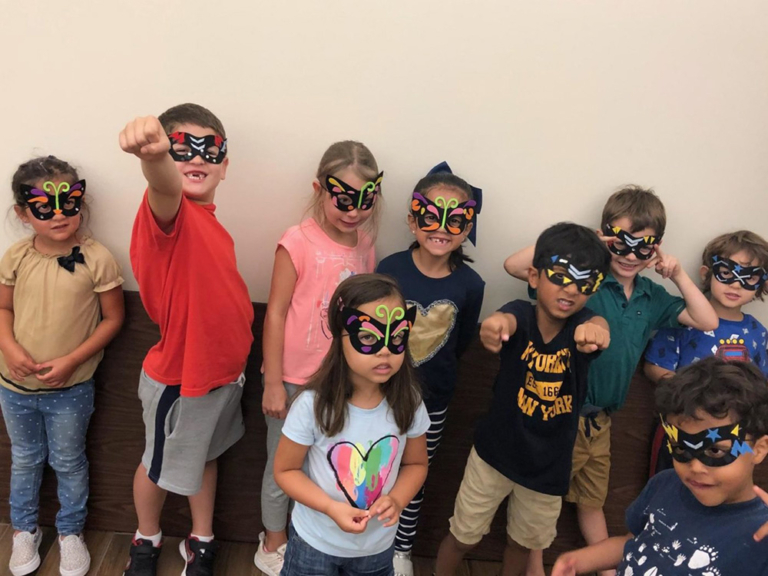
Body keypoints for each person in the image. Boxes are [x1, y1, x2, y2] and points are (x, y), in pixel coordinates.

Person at [503, 186, 718, 575]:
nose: (631, 255)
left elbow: (708, 320)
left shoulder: (652, 297)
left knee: (592, 500)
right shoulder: (585, 280)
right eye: (621, 243)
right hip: (560, 414)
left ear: (656, 248)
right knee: (543, 499)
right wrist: (587, 243)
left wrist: (678, 273)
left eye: (643, 246)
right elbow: (514, 266)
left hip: (601, 422)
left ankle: (608, 568)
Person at [119, 104, 254, 575]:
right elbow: (163, 185)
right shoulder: (170, 216)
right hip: (180, 379)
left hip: (223, 379)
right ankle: (147, 538)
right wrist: (155, 157)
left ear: (225, 163)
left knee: (207, 457)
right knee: (157, 466)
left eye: (209, 149)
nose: (196, 158)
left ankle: (201, 538)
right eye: (182, 147)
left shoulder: (211, 221)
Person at [435, 222, 611, 576]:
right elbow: (506, 320)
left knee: (522, 544)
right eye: (560, 275)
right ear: (534, 277)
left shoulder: (586, 324)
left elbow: (598, 331)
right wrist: (494, 326)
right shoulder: (521, 313)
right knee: (463, 536)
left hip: (548, 469)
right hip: (492, 456)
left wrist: (597, 333)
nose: (570, 289)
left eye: (585, 282)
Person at [257, 141, 381, 576]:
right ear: (320, 189)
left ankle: (316, 537)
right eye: (343, 197)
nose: (353, 209)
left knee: (324, 467)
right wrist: (274, 381)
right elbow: (274, 313)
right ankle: (273, 540)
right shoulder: (297, 240)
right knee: (283, 465)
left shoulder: (365, 246)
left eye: (365, 200)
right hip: (292, 378)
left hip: (339, 381)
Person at [0, 155, 125, 576]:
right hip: (14, 387)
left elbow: (114, 318)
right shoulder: (15, 256)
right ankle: (23, 530)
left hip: (72, 388)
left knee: (69, 461)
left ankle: (71, 532)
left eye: (68, 202)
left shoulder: (97, 258)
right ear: (22, 213)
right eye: (44, 206)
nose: (58, 214)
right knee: (25, 458)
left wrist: (73, 360)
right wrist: (10, 347)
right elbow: (2, 308)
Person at [274, 273, 430, 576]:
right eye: (369, 337)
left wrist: (397, 499)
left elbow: (416, 464)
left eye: (396, 336)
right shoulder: (312, 405)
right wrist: (331, 507)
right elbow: (285, 470)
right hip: (314, 544)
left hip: (378, 548)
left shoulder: (408, 401)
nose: (386, 349)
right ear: (339, 333)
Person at [552, 357, 768, 575]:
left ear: (759, 449)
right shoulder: (664, 485)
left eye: (714, 451)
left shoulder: (762, 533)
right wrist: (579, 561)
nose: (695, 467)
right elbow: (635, 543)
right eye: (681, 448)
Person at [376, 162, 484, 576]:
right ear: (411, 219)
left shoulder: (471, 286)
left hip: (433, 402)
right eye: (430, 216)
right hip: (380, 394)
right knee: (373, 468)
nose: (441, 228)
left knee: (413, 476)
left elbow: (461, 346)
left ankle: (399, 550)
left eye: (454, 220)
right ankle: (365, 542)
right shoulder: (390, 268)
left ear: (467, 225)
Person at [645, 230, 768, 475]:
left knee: (725, 496)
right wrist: (690, 392)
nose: (735, 283)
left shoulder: (757, 333)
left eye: (748, 277)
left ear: (761, 284)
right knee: (668, 488)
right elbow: (654, 365)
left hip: (733, 436)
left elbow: (761, 386)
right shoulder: (684, 319)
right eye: (726, 273)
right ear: (706, 274)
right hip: (683, 425)